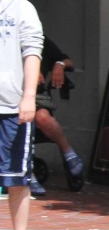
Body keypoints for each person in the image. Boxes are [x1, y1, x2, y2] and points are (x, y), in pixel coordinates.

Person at [0, 0, 44, 230]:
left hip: (10, 107)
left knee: (16, 177)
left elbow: (32, 51)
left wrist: (28, 97)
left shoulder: (18, 8)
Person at [25, 37, 86, 197]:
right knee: (20, 122)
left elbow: (68, 61)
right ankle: (27, 173)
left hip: (36, 95)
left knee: (42, 117)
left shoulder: (39, 40)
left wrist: (59, 64)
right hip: (12, 92)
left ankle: (69, 154)